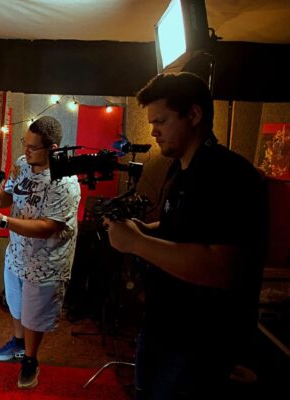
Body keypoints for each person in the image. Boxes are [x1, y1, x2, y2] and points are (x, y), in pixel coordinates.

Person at [104, 72, 268, 399]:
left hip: (202, 340)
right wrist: (141, 229)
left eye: (161, 121)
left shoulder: (229, 175)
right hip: (164, 326)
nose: (154, 131)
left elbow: (222, 266)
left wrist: (136, 242)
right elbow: (183, 230)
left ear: (193, 115)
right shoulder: (181, 168)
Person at [0, 116, 81, 389]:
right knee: (16, 305)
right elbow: (7, 197)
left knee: (34, 316)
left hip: (46, 262)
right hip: (17, 254)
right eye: (24, 144)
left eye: (33, 147)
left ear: (52, 148)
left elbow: (48, 227)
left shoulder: (65, 181)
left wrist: (2, 221)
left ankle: (30, 359)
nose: (26, 151)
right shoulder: (23, 164)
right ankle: (18, 342)